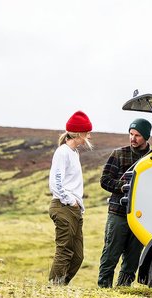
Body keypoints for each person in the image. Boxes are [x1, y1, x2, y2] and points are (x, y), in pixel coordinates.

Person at [97, 118, 152, 287]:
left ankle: (123, 290)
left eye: (137, 135)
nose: (133, 138)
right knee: (110, 255)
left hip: (140, 216)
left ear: (146, 137)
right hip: (118, 213)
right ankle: (103, 289)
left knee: (132, 258)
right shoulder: (118, 154)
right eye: (131, 134)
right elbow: (105, 180)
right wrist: (125, 186)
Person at [47, 110, 93, 284]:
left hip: (74, 209)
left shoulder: (74, 153)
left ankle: (61, 285)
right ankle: (54, 288)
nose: (89, 135)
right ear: (79, 133)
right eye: (87, 132)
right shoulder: (63, 152)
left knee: (78, 256)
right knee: (65, 250)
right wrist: (70, 200)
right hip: (63, 206)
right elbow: (56, 182)